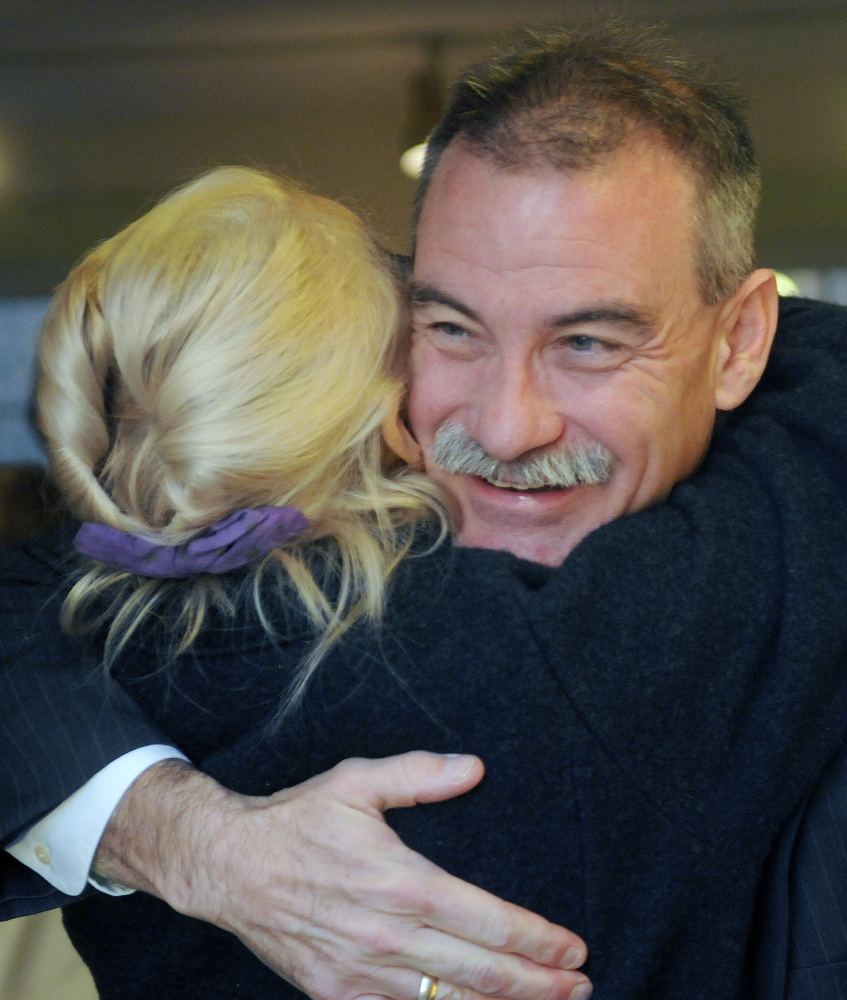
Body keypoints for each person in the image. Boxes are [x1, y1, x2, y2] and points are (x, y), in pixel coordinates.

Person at [3, 21, 847, 998]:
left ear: (738, 341)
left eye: (587, 341)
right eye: (453, 327)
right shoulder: (652, 606)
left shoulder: (124, 627)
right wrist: (181, 833)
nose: (505, 424)